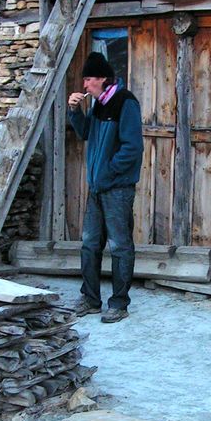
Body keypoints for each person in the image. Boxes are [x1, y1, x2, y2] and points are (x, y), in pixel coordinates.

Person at [67, 52, 143, 323]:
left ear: (103, 79)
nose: (84, 85)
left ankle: (119, 303)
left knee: (120, 246)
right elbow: (85, 133)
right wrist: (75, 111)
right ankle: (90, 298)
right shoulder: (99, 103)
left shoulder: (125, 102)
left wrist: (109, 173)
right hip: (97, 188)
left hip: (117, 189)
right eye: (85, 80)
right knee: (89, 243)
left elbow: (132, 148)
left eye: (89, 79)